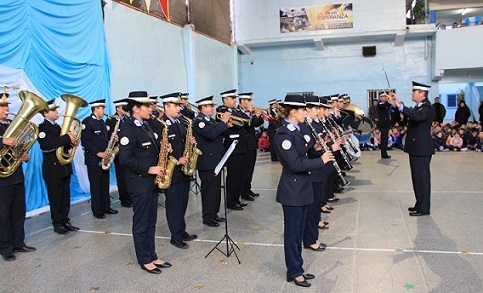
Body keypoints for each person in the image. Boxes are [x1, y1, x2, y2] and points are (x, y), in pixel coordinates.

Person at [274, 94, 334, 288]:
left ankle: (298, 267)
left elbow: (304, 151)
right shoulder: (283, 134)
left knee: (299, 232)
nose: (305, 113)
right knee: (292, 234)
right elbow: (295, 163)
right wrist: (321, 160)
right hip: (292, 190)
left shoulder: (296, 130)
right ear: (293, 111)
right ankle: (293, 271)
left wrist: (319, 149)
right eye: (303, 110)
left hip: (302, 188)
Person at [118, 91, 171, 274]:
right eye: (146, 106)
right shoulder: (128, 128)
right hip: (140, 182)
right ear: (135, 108)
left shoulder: (146, 125)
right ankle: (144, 259)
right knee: (141, 222)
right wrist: (149, 169)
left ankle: (152, 255)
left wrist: (165, 149)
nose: (150, 108)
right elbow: (125, 158)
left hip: (151, 183)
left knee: (151, 221)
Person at [0, 92, 36, 261]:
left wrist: (23, 154)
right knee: (3, 214)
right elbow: (5, 144)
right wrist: (2, 141)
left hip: (16, 175)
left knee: (18, 212)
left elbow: (17, 147)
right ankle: (5, 247)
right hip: (2, 179)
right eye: (2, 106)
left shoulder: (10, 125)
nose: (6, 109)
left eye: (6, 106)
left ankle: (18, 243)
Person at [389, 81, 434, 216]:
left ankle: (424, 208)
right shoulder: (418, 107)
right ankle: (419, 204)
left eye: (414, 92)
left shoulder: (426, 107)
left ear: (422, 93)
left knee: (422, 178)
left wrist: (400, 105)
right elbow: (409, 115)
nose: (412, 93)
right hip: (416, 148)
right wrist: (396, 105)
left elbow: (417, 117)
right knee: (417, 178)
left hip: (422, 148)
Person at [159, 92, 198, 249]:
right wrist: (177, 157)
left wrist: (191, 142)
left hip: (183, 170)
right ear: (167, 106)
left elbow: (183, 141)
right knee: (174, 205)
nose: (179, 108)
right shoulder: (161, 124)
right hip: (172, 171)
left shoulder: (180, 122)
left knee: (182, 203)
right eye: (176, 106)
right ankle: (175, 236)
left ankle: (181, 231)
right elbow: (160, 149)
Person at [38, 100, 79, 234]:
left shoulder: (59, 128)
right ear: (45, 113)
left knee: (65, 196)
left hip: (64, 167)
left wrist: (72, 142)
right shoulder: (42, 128)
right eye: (53, 110)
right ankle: (57, 223)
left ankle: (65, 220)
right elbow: (47, 145)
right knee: (55, 198)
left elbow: (63, 146)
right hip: (52, 169)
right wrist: (67, 138)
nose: (57, 112)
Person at [192, 96, 231, 227]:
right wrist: (223, 122)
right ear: (203, 108)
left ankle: (214, 214)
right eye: (210, 106)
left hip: (215, 160)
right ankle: (208, 217)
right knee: (209, 191)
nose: (213, 108)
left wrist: (225, 126)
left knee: (215, 190)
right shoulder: (199, 121)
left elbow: (217, 133)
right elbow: (211, 134)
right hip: (207, 161)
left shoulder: (210, 120)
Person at [81, 99, 118, 219]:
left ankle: (106, 207)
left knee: (104, 184)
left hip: (105, 158)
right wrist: (98, 153)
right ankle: (97, 210)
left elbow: (105, 138)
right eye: (101, 108)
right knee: (96, 186)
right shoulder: (87, 122)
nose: (103, 111)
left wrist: (113, 138)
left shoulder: (102, 122)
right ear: (95, 108)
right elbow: (85, 142)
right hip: (93, 159)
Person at [216, 89, 248, 210]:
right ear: (225, 100)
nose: (235, 100)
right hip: (232, 147)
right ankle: (230, 201)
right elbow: (236, 125)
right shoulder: (222, 111)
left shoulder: (235, 111)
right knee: (233, 176)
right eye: (232, 98)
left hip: (240, 146)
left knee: (240, 175)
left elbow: (245, 120)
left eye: (235, 98)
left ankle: (236, 198)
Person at [238, 92, 264, 201]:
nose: (250, 103)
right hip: (244, 144)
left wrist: (260, 116)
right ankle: (243, 192)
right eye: (248, 101)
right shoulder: (238, 112)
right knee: (245, 170)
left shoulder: (248, 112)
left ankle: (247, 189)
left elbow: (256, 124)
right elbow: (248, 123)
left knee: (250, 169)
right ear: (242, 101)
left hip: (252, 143)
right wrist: (253, 114)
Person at [106, 99, 131, 207]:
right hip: (118, 152)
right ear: (118, 108)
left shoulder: (128, 119)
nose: (126, 109)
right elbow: (107, 136)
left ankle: (130, 196)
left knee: (129, 176)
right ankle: (124, 199)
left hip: (128, 151)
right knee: (122, 177)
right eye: (123, 107)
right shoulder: (111, 120)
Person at [376, 93, 392, 159]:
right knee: (384, 139)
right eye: (383, 96)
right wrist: (389, 100)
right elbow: (386, 105)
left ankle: (384, 152)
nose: (384, 98)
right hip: (383, 124)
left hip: (386, 123)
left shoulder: (385, 104)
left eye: (385, 96)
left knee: (385, 139)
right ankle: (383, 153)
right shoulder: (380, 104)